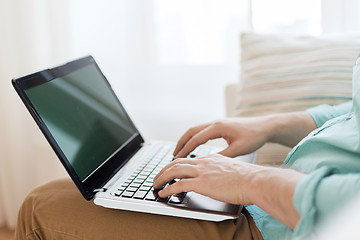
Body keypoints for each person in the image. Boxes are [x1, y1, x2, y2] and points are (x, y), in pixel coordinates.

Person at [15, 56, 360, 240]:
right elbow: (352, 111)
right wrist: (269, 125)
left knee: (40, 207)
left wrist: (250, 181)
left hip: (284, 225)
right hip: (276, 202)